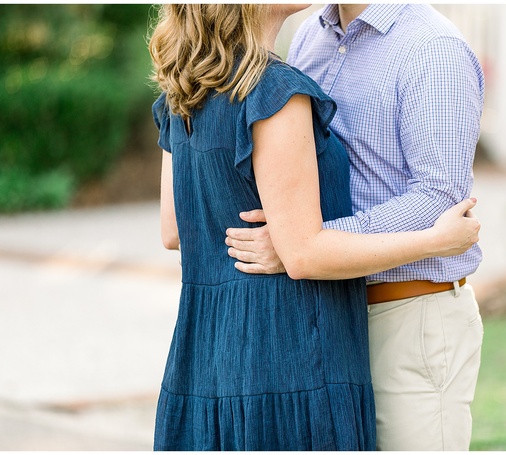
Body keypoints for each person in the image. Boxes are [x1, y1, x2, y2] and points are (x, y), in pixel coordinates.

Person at [149, 3, 479, 451]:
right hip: (308, 319)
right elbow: (295, 239)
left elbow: (440, 198)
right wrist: (299, 240)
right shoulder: (305, 43)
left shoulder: (432, 48)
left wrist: (296, 239)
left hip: (405, 311)